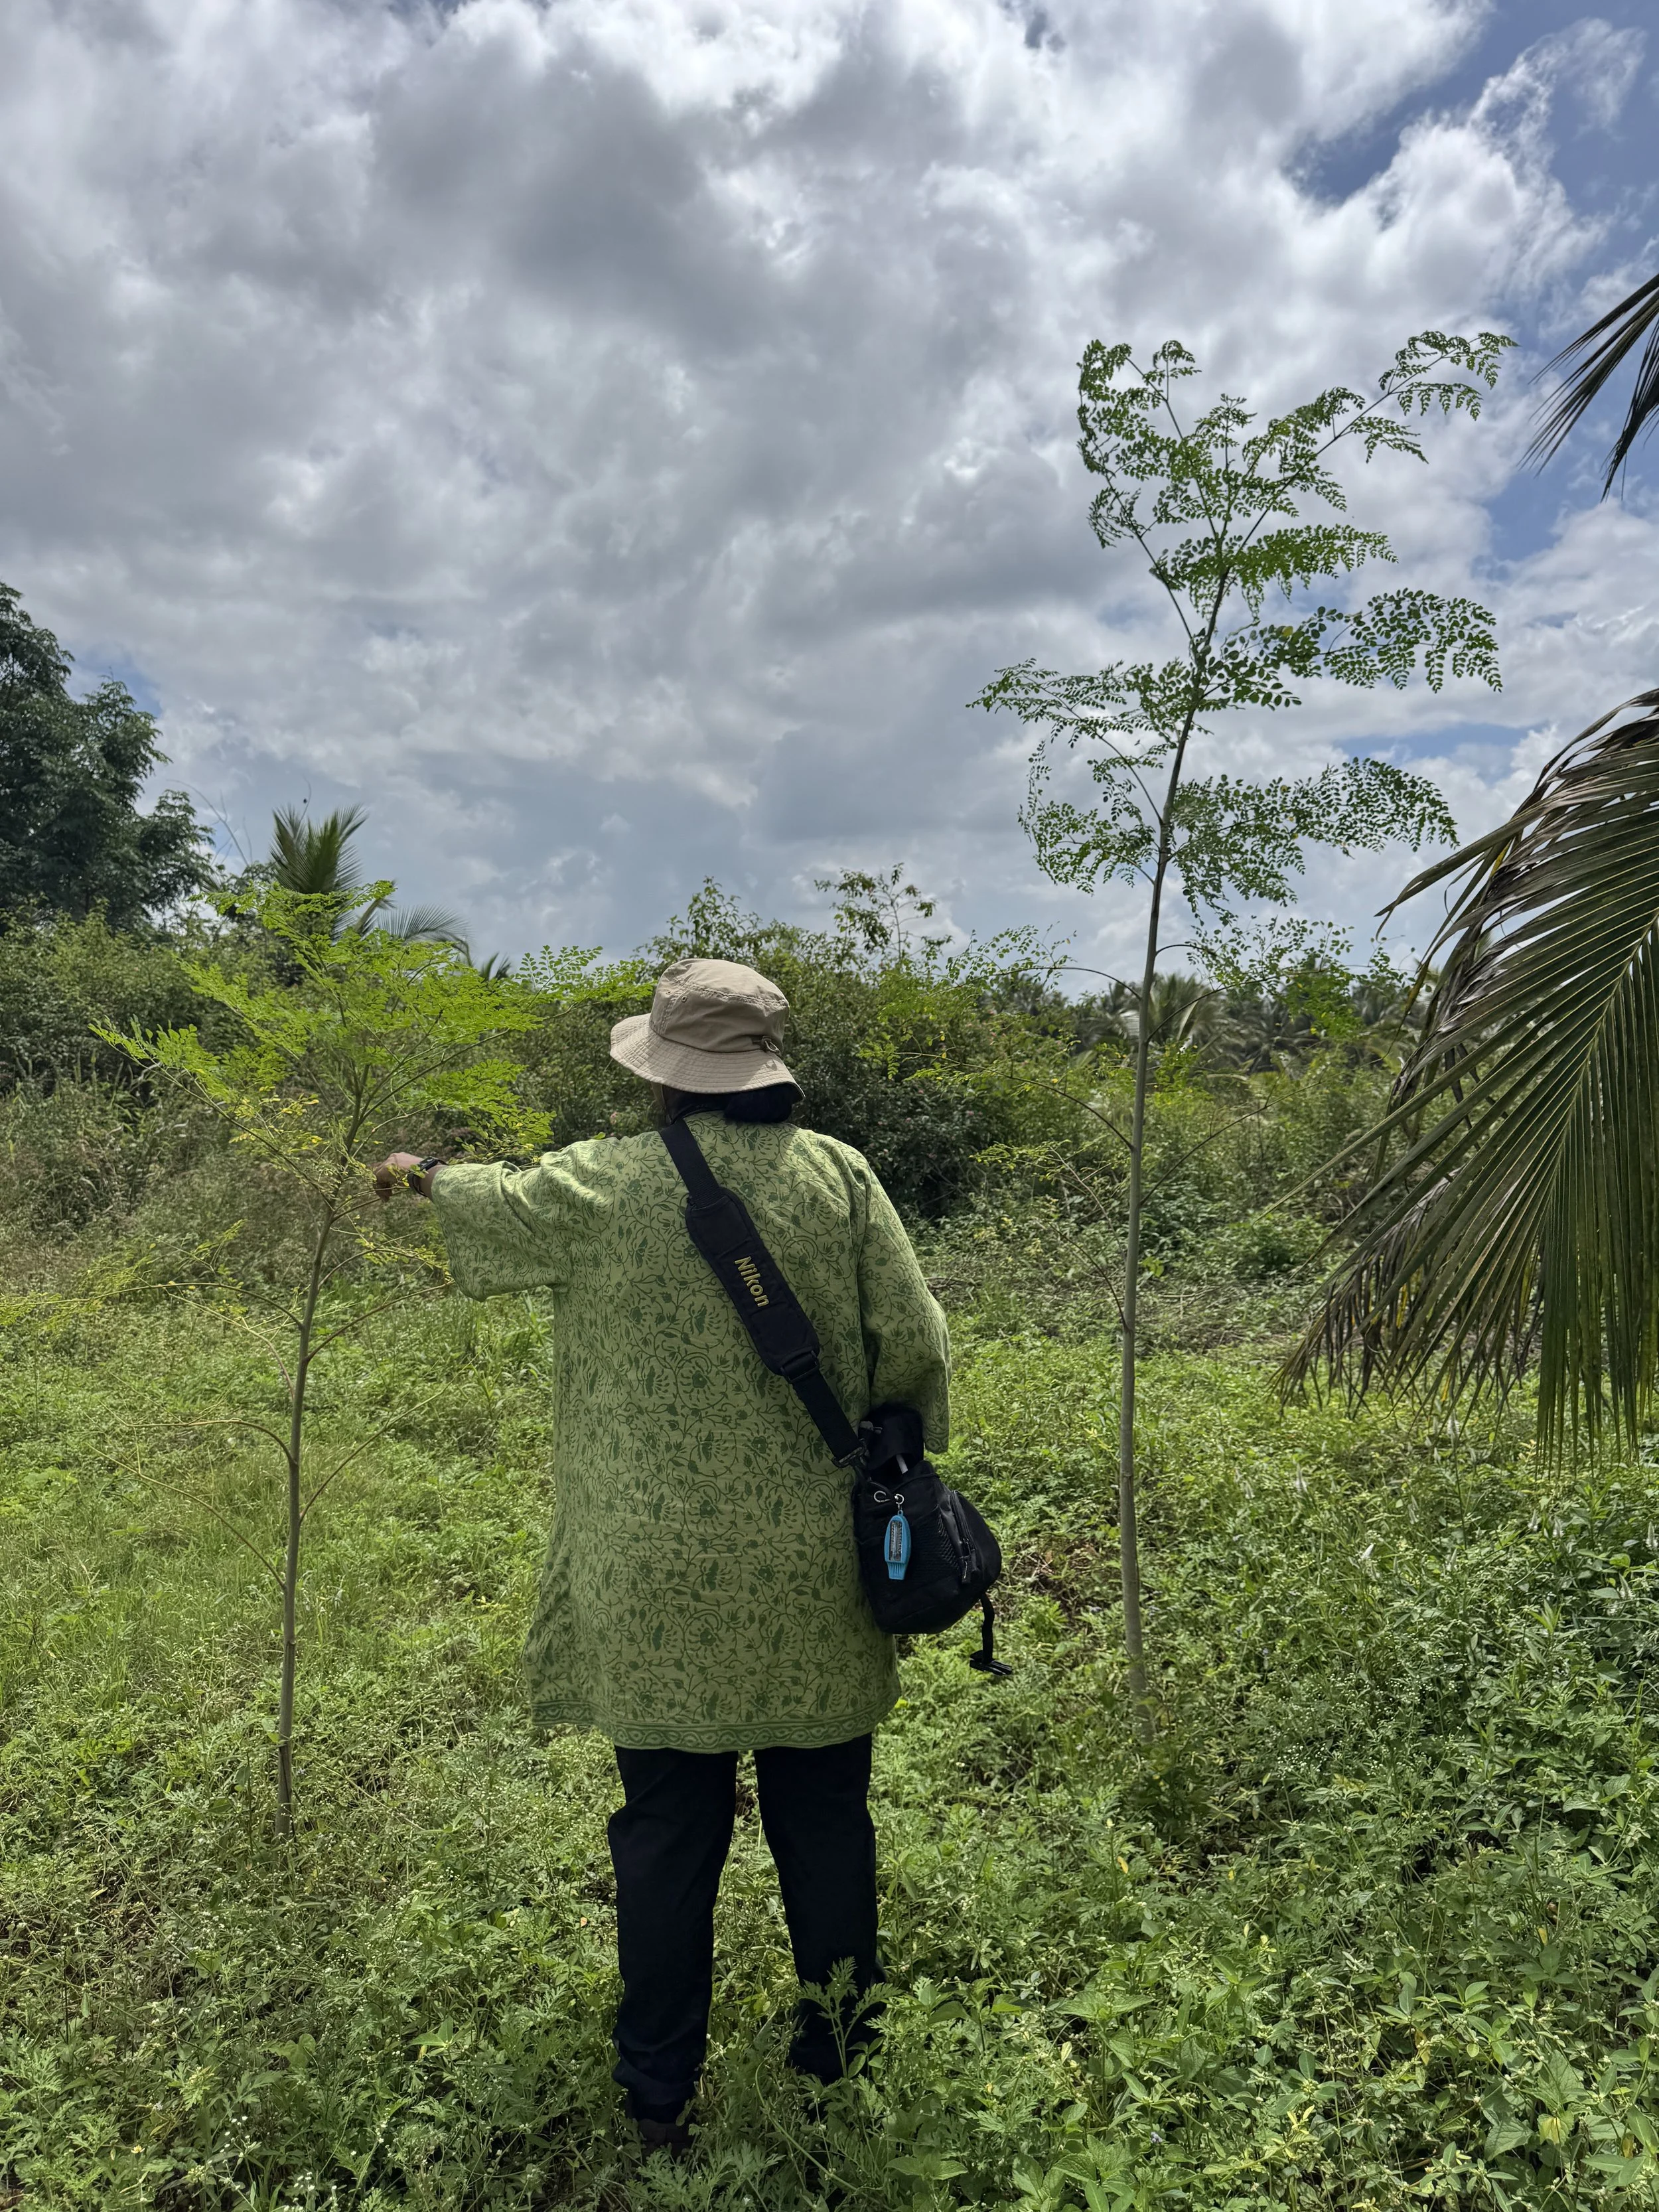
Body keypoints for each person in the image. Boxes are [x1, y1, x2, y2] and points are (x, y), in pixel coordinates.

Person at [376, 956, 950, 2154]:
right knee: (826, 1823)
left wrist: (415, 1169)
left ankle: (657, 2100)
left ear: (666, 1074)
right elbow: (914, 1345)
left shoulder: (601, 1181)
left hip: (649, 1586)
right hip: (811, 1579)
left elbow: (485, 1196)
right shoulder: (839, 1176)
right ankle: (838, 2068)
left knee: (667, 1834)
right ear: (767, 1067)